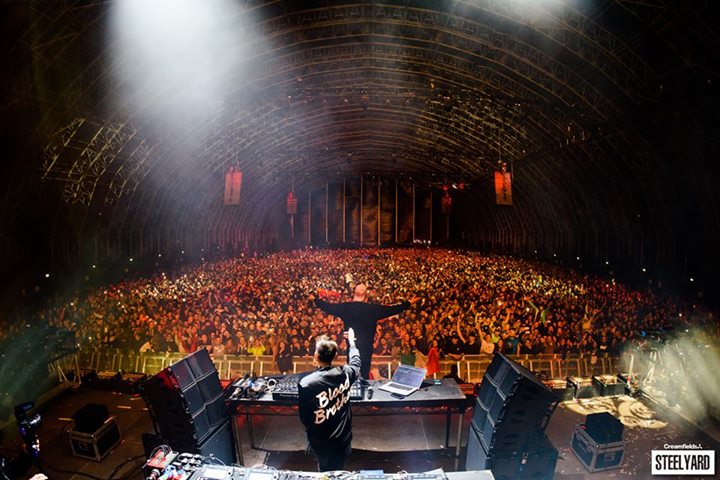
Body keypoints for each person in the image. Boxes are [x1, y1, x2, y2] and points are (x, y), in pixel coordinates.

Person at [314, 284, 414, 381]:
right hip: (366, 349)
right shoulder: (372, 309)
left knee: (353, 374)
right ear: (365, 296)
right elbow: (392, 309)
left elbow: (328, 307)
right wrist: (408, 303)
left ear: (354, 293)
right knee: (364, 375)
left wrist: (316, 299)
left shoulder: (346, 308)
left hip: (352, 347)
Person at [298, 328, 361, 472]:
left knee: (324, 471)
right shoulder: (346, 373)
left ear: (316, 355)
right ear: (335, 356)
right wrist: (352, 342)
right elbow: (356, 362)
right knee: (339, 470)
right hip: (342, 440)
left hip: (320, 442)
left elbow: (304, 417)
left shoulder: (307, 383)